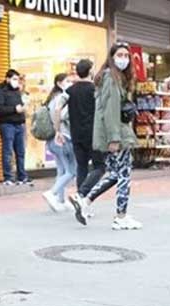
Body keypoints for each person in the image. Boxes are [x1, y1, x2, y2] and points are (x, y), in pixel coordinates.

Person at [69, 43, 142, 231]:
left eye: (127, 55)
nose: (124, 58)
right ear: (112, 56)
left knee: (115, 174)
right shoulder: (111, 78)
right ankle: (121, 216)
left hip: (110, 133)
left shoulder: (110, 77)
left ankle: (85, 201)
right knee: (124, 174)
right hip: (116, 133)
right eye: (120, 54)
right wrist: (114, 138)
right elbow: (110, 111)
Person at [60, 60, 106, 216]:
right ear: (91, 71)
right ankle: (81, 196)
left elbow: (57, 108)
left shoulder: (70, 91)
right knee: (100, 167)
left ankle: (81, 204)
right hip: (94, 134)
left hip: (76, 134)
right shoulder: (95, 89)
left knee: (82, 166)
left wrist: (57, 129)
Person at [42, 73, 77, 212]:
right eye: (67, 81)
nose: (70, 83)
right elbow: (63, 116)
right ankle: (53, 192)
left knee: (62, 169)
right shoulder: (61, 99)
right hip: (64, 137)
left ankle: (60, 200)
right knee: (71, 171)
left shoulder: (51, 99)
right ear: (59, 83)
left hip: (53, 139)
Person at [0, 69, 30, 186]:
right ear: (8, 79)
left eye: (18, 79)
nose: (16, 82)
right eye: (14, 79)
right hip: (7, 125)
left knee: (20, 152)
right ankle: (8, 177)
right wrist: (15, 109)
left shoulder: (17, 91)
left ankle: (22, 176)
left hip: (19, 124)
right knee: (8, 151)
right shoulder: (0, 90)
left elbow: (22, 105)